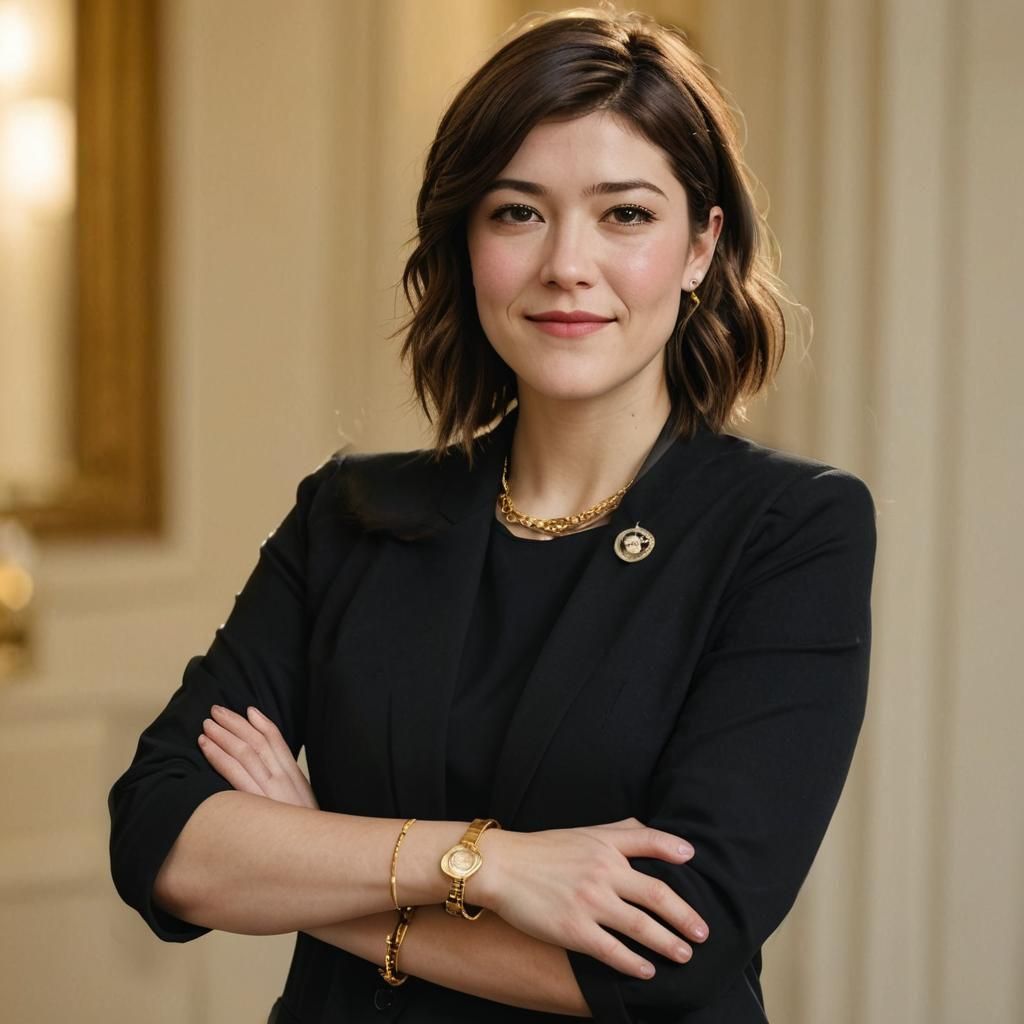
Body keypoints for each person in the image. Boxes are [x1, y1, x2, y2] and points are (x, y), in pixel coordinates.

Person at [108, 6, 877, 1023]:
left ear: (701, 245)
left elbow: (666, 952)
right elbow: (161, 836)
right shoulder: (351, 515)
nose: (566, 262)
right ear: (466, 242)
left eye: (625, 214)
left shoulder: (790, 531)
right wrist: (490, 865)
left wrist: (323, 866)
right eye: (517, 211)